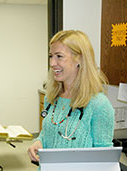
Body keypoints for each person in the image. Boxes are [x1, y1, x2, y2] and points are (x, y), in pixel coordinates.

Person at [28, 30, 114, 164]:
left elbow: (104, 160)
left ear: (79, 59)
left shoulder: (99, 105)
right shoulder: (51, 98)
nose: (52, 63)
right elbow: (47, 133)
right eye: (51, 56)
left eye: (59, 56)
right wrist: (39, 142)